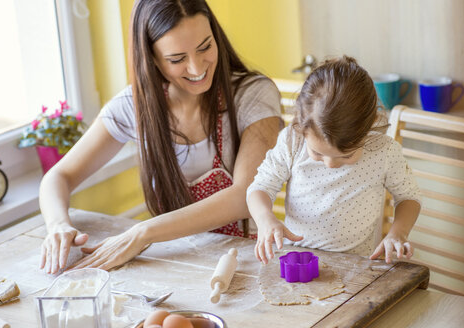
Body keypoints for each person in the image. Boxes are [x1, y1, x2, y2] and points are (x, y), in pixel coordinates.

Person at [39, 0, 282, 274]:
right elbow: (57, 177)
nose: (196, 67)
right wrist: (58, 224)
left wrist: (142, 232)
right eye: (177, 59)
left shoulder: (253, 95)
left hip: (247, 263)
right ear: (151, 58)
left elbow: (244, 196)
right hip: (173, 263)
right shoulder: (134, 107)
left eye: (205, 47)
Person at [247, 56, 421, 265]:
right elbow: (260, 188)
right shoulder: (292, 141)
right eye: (318, 153)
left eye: (346, 155)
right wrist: (264, 218)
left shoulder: (383, 151)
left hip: (354, 266)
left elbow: (409, 197)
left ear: (370, 125)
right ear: (301, 123)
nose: (330, 164)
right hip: (298, 260)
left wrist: (398, 233)